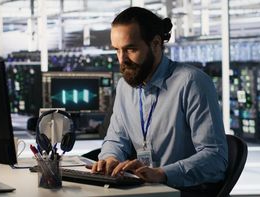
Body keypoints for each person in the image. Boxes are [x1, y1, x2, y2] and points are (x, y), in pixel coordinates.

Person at [91, 6, 228, 192]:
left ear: (156, 44)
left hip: (183, 191)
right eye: (117, 50)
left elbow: (215, 158)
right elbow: (116, 140)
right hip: (144, 189)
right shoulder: (125, 87)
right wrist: (110, 158)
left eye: (131, 49)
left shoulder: (192, 82)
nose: (122, 59)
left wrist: (163, 173)